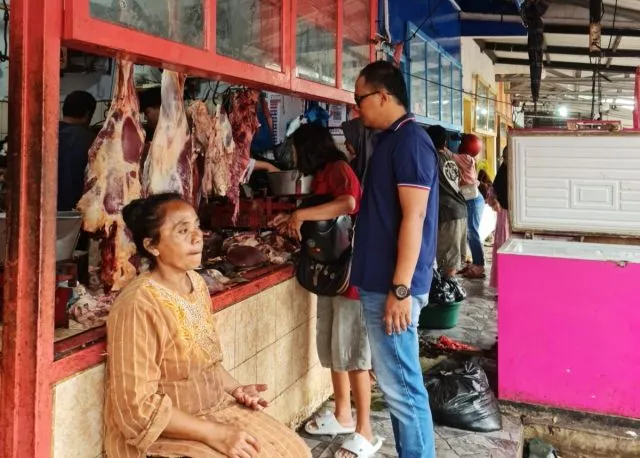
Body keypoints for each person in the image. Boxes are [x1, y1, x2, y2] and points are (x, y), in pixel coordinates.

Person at [104, 193, 310, 458]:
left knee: (296, 451)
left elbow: (205, 357)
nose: (197, 236)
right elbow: (136, 409)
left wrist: (236, 389)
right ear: (152, 246)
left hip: (215, 410)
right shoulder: (139, 304)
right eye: (182, 230)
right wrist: (217, 434)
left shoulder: (196, 283)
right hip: (162, 434)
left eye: (196, 226)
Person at [270, 124, 381, 458]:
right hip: (328, 274)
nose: (294, 157)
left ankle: (366, 431)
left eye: (297, 150)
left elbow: (348, 202)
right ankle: (343, 414)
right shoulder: (321, 174)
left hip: (350, 276)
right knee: (334, 349)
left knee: (354, 356)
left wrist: (301, 213)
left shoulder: (339, 169)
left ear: (310, 148)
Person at [351, 60, 438, 458]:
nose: (357, 108)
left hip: (394, 287)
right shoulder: (389, 140)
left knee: (403, 388)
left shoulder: (410, 142)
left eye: (360, 99)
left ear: (384, 95)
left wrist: (400, 288)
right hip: (381, 284)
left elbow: (415, 216)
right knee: (397, 385)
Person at [427, 125, 468, 279]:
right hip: (460, 209)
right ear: (444, 141)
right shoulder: (449, 158)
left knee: (448, 262)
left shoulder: (432, 158)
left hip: (448, 212)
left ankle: (447, 295)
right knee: (451, 259)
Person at [58, 90, 97, 211]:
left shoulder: (45, 133)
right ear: (88, 114)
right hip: (77, 212)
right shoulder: (89, 140)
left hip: (44, 209)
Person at [455, 133, 485, 279]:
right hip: (472, 198)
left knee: (472, 231)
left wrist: (441, 145)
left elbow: (446, 153)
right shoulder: (469, 158)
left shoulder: (465, 158)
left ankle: (479, 265)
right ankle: (475, 263)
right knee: (469, 232)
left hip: (473, 199)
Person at [490, 146, 510, 290]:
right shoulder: (503, 171)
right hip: (504, 215)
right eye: (505, 158)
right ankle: (502, 286)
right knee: (503, 249)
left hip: (518, 216)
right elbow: (493, 191)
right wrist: (495, 200)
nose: (506, 160)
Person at [341, 117, 376, 184]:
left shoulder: (378, 171)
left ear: (359, 140)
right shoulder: (353, 166)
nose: (345, 143)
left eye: (348, 139)